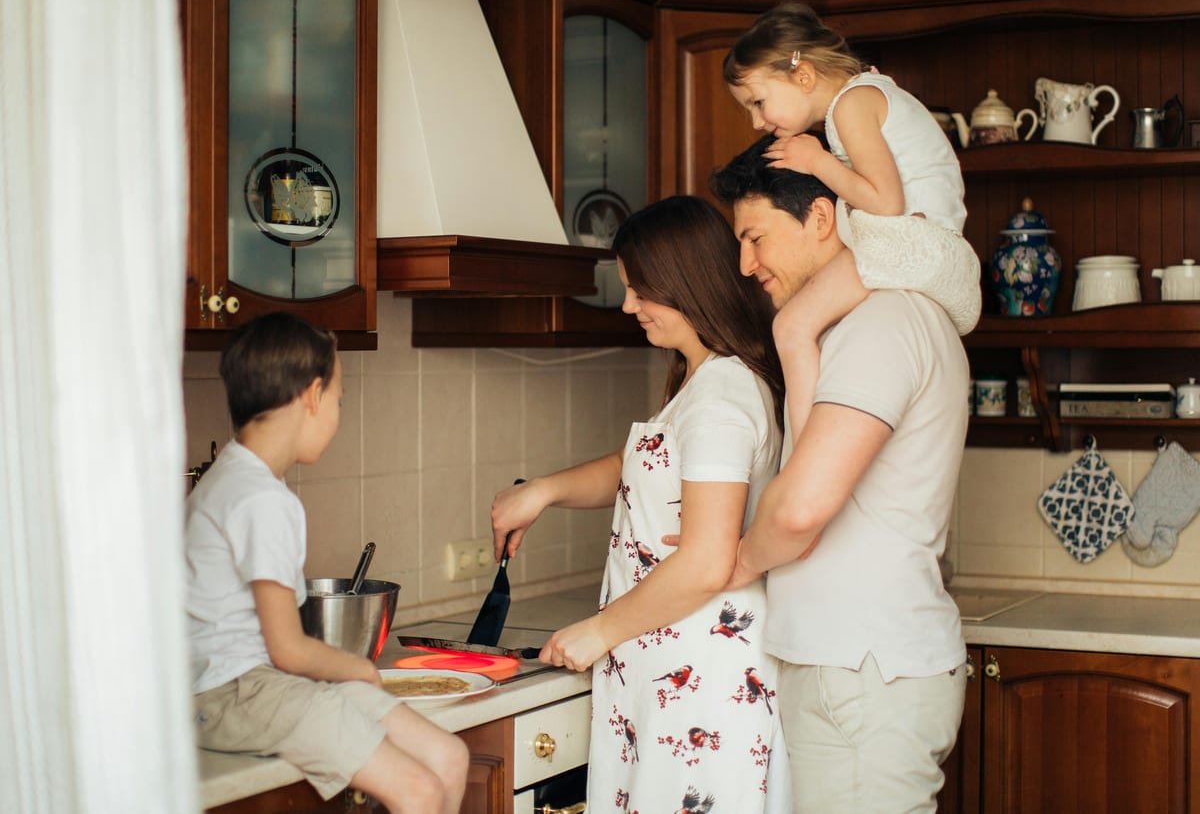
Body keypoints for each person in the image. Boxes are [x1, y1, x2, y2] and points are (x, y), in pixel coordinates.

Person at [489, 196, 791, 812]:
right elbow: (647, 467)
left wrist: (599, 630)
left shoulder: (720, 398)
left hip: (701, 678)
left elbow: (707, 560)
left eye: (639, 289)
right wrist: (544, 490)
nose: (629, 306)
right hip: (674, 662)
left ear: (687, 283)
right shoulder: (702, 381)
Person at [709, 138, 969, 813]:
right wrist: (795, 334)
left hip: (862, 672)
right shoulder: (842, 327)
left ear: (821, 217)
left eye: (756, 237)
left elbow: (801, 510)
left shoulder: (884, 321)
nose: (746, 264)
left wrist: (735, 561)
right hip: (855, 666)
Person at [186, 312, 468, 814]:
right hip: (231, 693)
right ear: (312, 396)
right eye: (339, 400)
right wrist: (359, 668)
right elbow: (289, 650)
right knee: (420, 789)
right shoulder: (260, 499)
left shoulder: (235, 478)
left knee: (449, 757)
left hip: (262, 686)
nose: (337, 414)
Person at [724, 1, 980, 436]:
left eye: (759, 102)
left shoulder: (852, 106)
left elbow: (885, 203)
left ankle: (802, 456)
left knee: (792, 325)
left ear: (803, 76)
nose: (755, 121)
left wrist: (816, 161)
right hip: (930, 244)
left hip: (911, 243)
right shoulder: (868, 92)